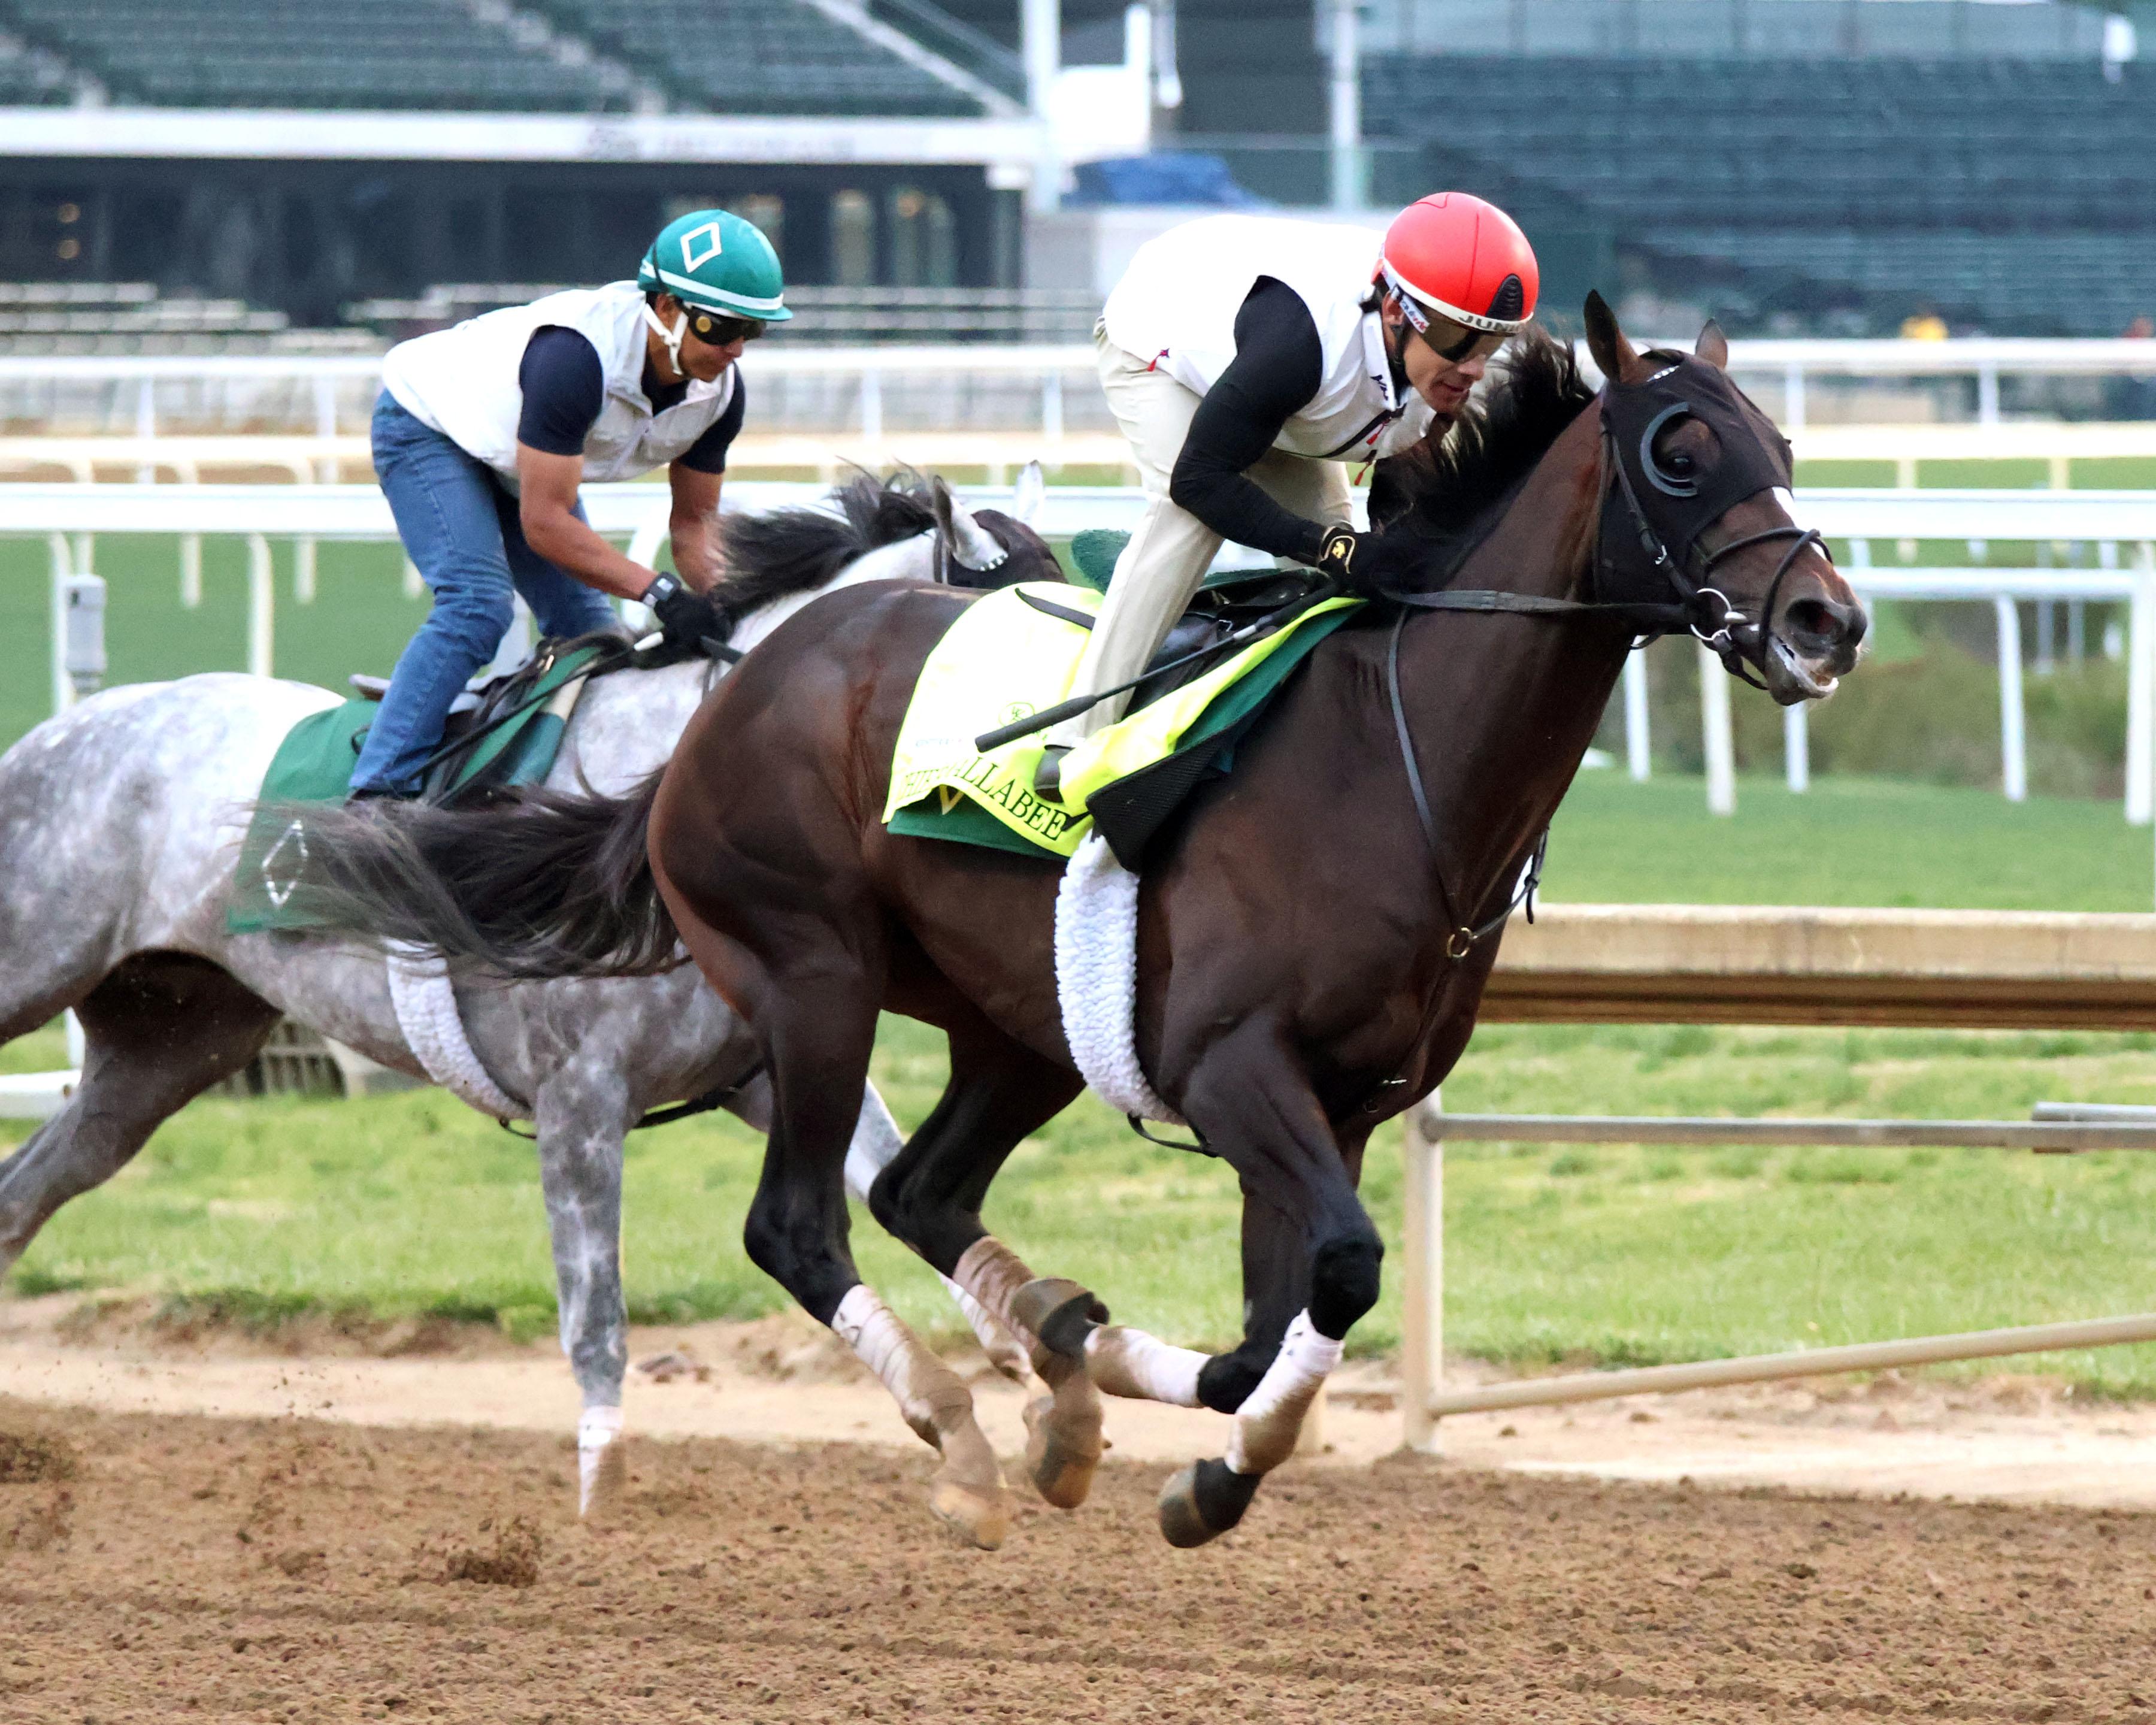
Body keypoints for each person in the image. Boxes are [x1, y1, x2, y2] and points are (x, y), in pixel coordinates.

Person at [1034, 192, 1539, 797]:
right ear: (1397, 312)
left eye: (1492, 344)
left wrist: (1361, 555)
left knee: (1342, 572)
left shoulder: (1442, 373)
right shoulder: (1299, 345)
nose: (1475, 368)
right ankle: (1076, 734)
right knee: (1189, 519)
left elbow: (1396, 505)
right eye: (1459, 339)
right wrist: (1326, 545)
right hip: (1160, 338)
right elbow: (1199, 480)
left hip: (1279, 389)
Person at [349, 208, 789, 798]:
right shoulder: (576, 359)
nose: (735, 349)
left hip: (514, 453)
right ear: (666, 308)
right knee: (478, 606)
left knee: (593, 641)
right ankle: (375, 795)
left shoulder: (721, 396)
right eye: (721, 328)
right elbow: (545, 524)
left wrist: (730, 608)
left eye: (752, 331)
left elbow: (692, 529)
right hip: (428, 424)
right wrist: (659, 593)